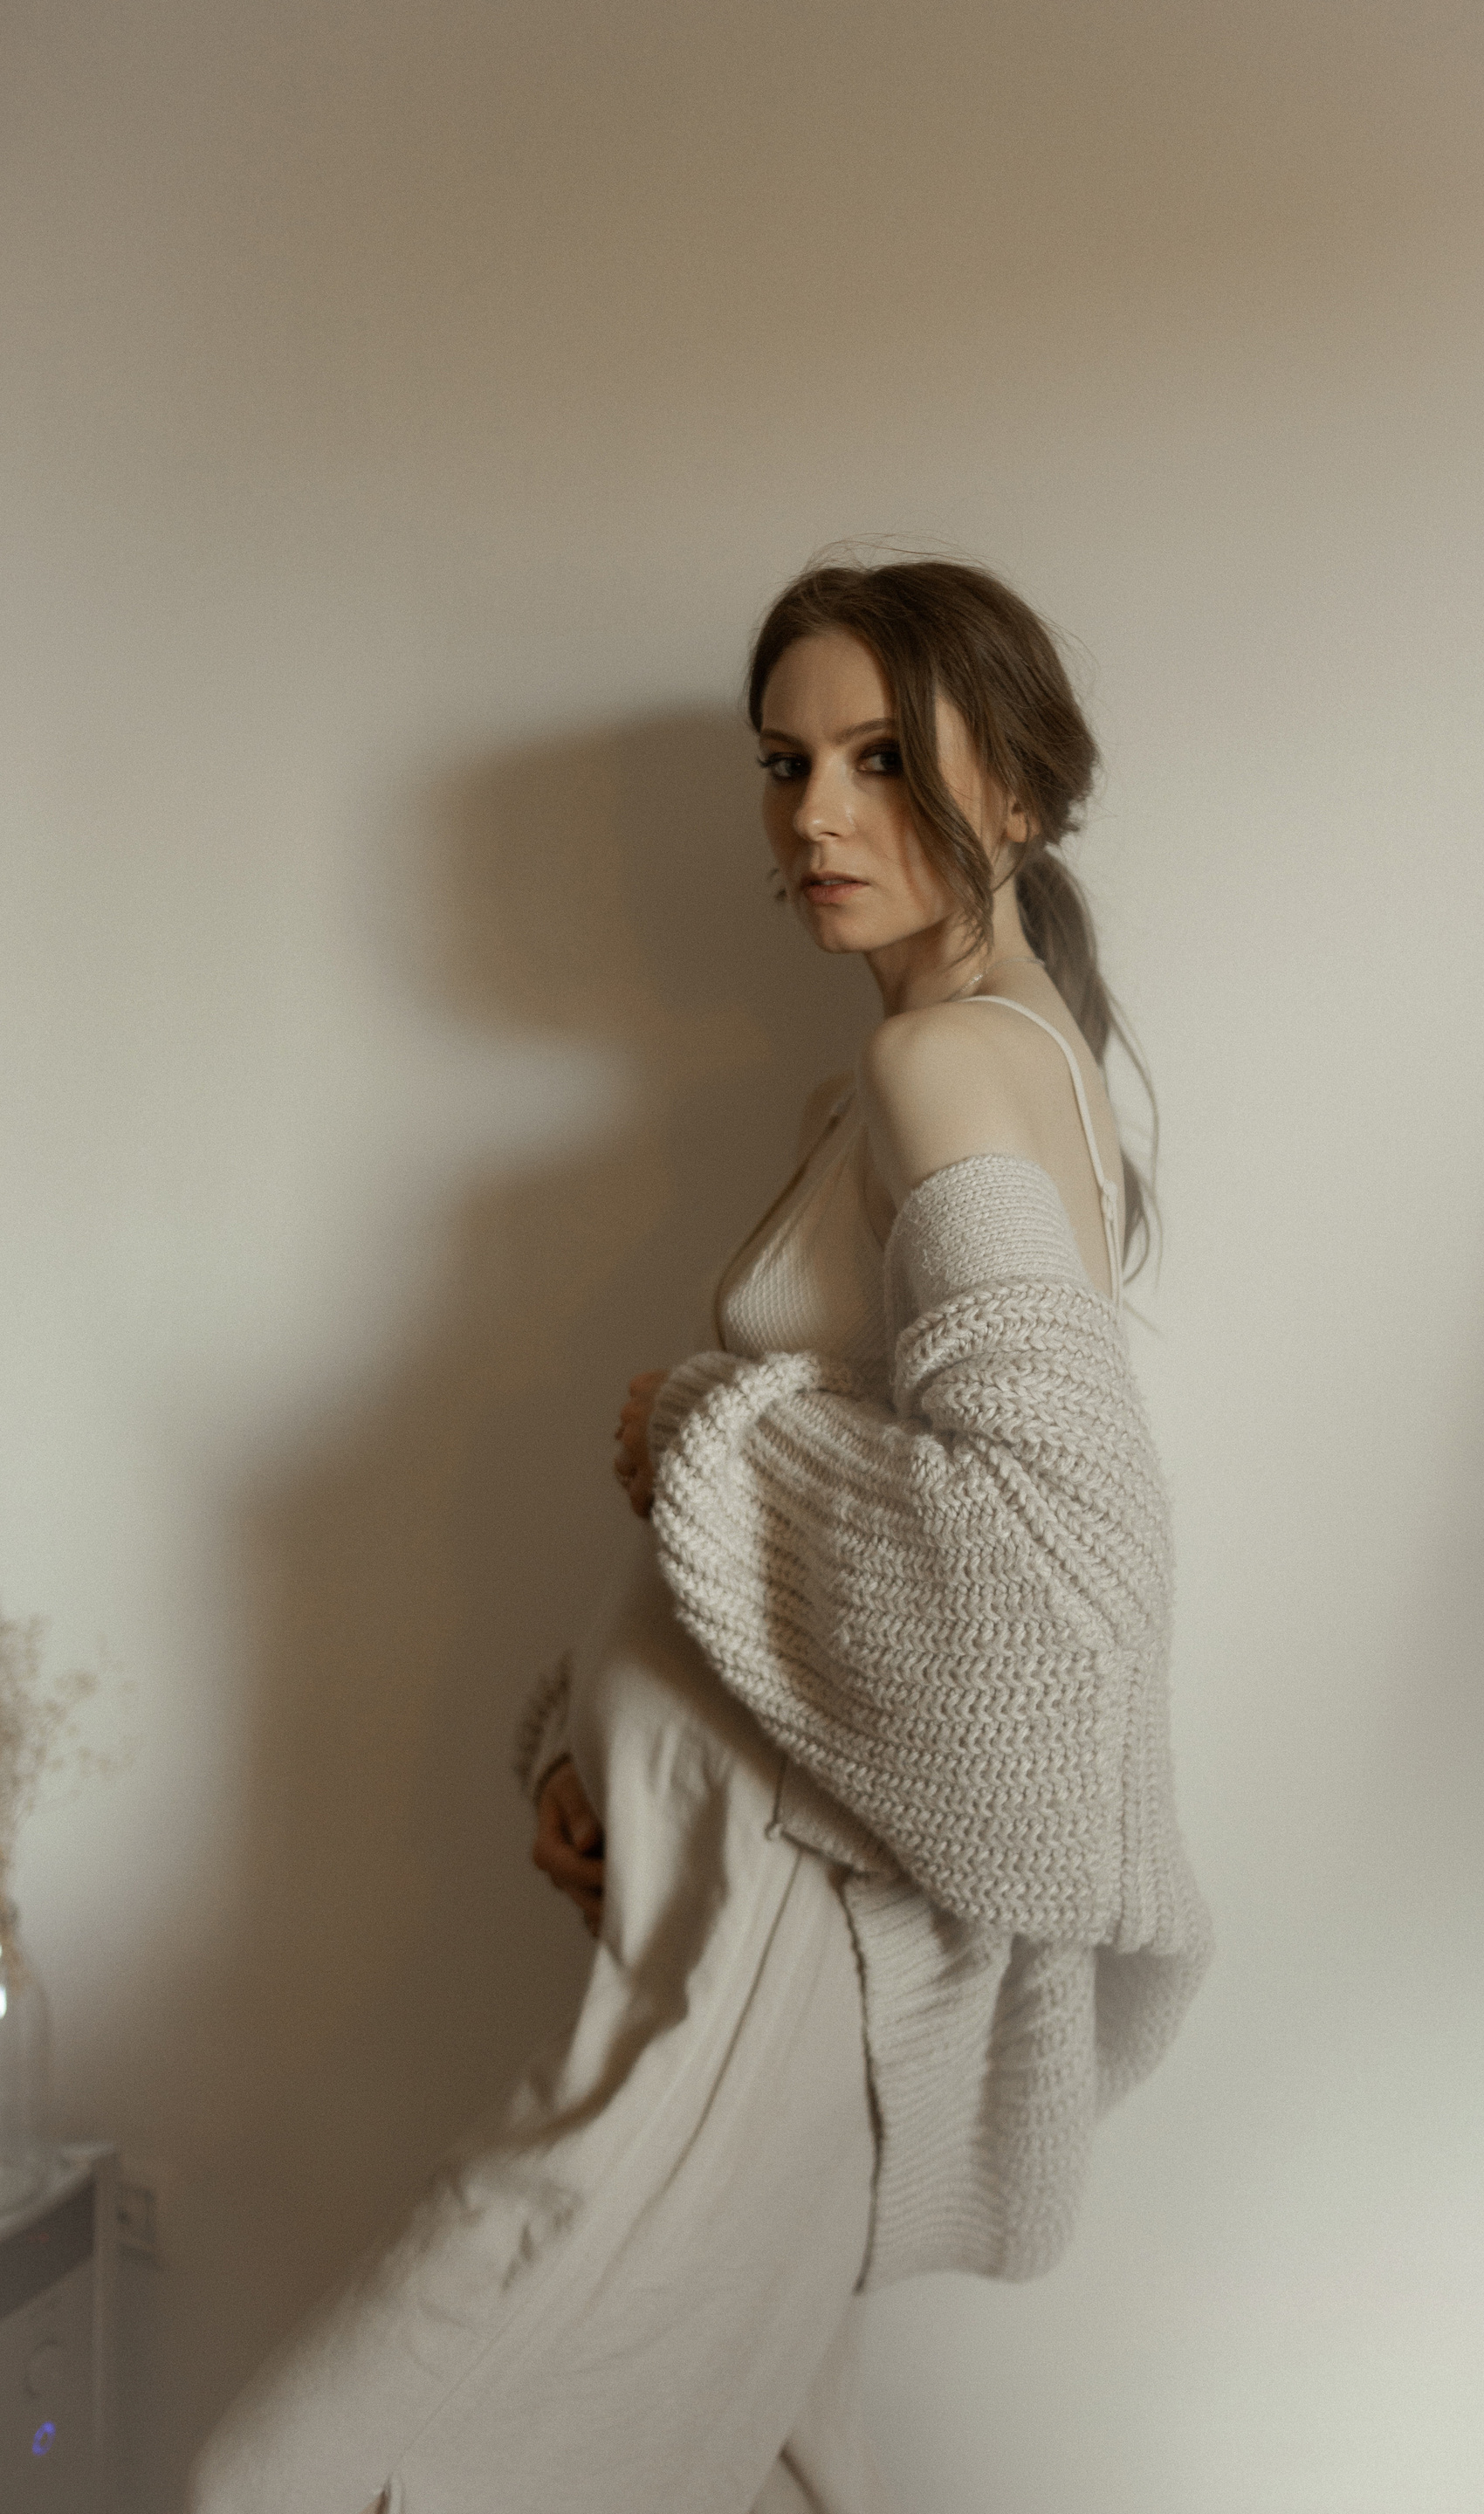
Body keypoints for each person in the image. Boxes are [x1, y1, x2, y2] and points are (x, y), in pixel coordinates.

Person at [189, 557, 1211, 2514]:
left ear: (1018, 790)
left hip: (777, 1944)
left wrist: (702, 1429)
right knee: (769, 2468)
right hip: (711, 1901)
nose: (815, 813)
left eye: (882, 757)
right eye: (786, 760)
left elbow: (1054, 1593)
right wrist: (586, 1744)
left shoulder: (947, 1066)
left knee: (298, 2476)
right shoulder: (938, 1065)